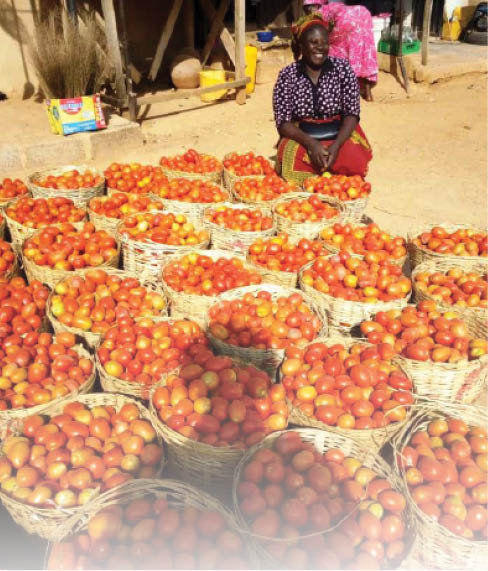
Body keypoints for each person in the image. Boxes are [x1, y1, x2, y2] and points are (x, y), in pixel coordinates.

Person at [273, 13, 372, 184]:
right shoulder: (287, 75)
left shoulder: (343, 69)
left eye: (325, 42)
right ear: (301, 46)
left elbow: (352, 113)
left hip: (337, 133)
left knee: (353, 159)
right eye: (314, 42)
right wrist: (311, 145)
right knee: (292, 160)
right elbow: (283, 122)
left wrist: (336, 146)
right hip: (303, 136)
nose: (321, 47)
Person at [303, 0, 378, 101]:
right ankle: (368, 93)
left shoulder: (324, 9)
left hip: (342, 15)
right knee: (365, 49)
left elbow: (312, 7)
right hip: (362, 13)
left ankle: (343, 90)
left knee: (333, 47)